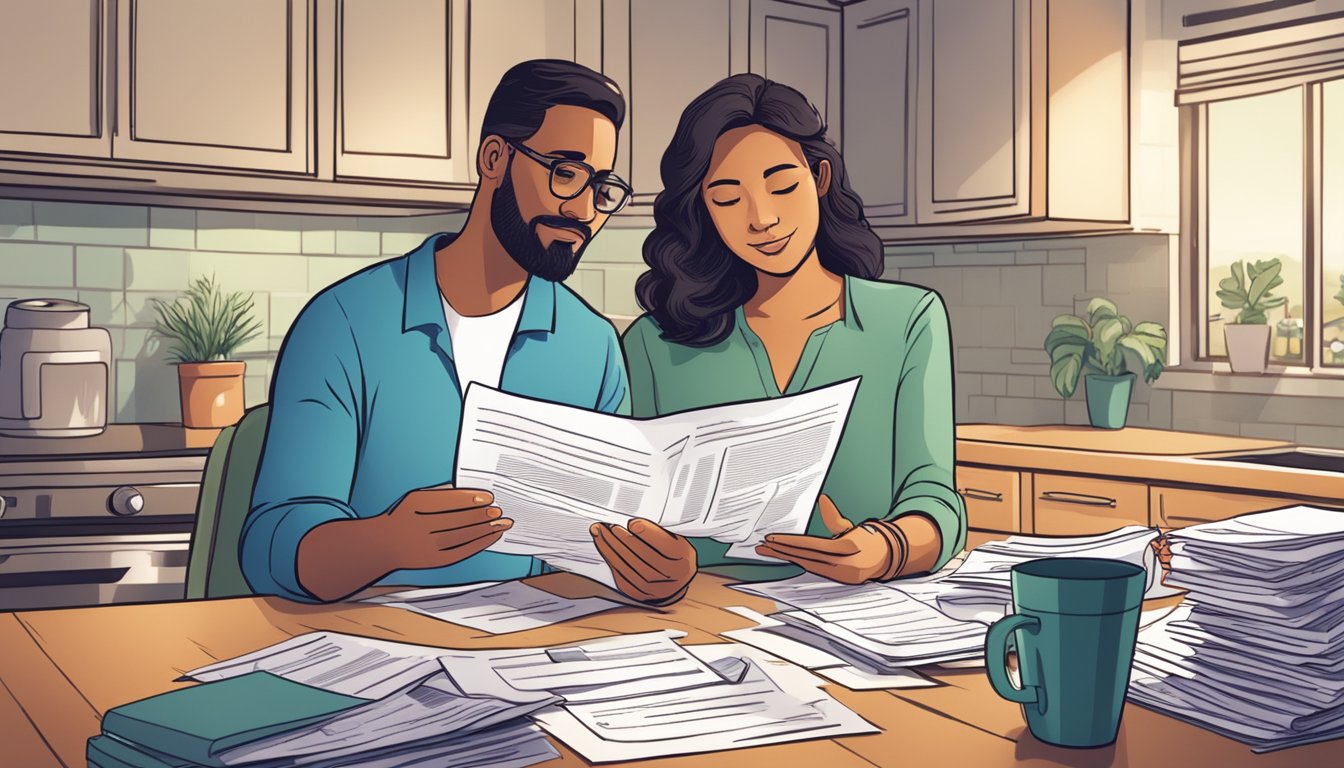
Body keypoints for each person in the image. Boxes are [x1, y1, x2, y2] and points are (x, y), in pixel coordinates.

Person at [242, 60, 697, 604]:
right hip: (370, 648)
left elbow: (610, 532)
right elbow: (271, 547)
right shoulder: (343, 323)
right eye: (565, 172)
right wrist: (386, 542)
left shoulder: (593, 345)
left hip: (533, 650)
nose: (582, 209)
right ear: (495, 159)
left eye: (601, 188)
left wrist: (657, 572)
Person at [622, 74, 966, 584]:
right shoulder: (655, 344)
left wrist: (887, 547)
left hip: (854, 619)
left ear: (819, 177)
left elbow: (934, 495)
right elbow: (630, 509)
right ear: (702, 210)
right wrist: (650, 565)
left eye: (782, 185)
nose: (761, 218)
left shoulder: (909, 320)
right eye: (727, 198)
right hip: (702, 620)